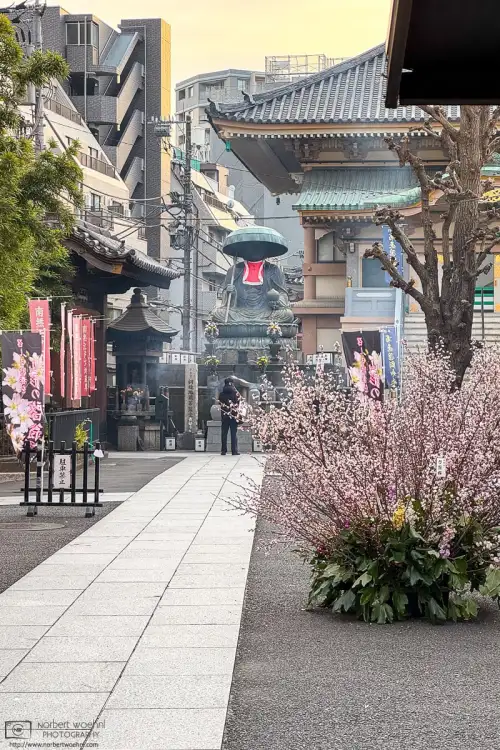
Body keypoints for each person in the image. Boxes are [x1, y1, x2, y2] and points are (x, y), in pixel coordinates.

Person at [218, 378, 241, 456]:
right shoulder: (235, 393)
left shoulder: (221, 394)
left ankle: (223, 451)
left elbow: (220, 404)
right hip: (233, 416)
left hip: (224, 416)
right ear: (232, 383)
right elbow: (238, 404)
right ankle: (234, 451)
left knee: (224, 433)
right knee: (233, 434)